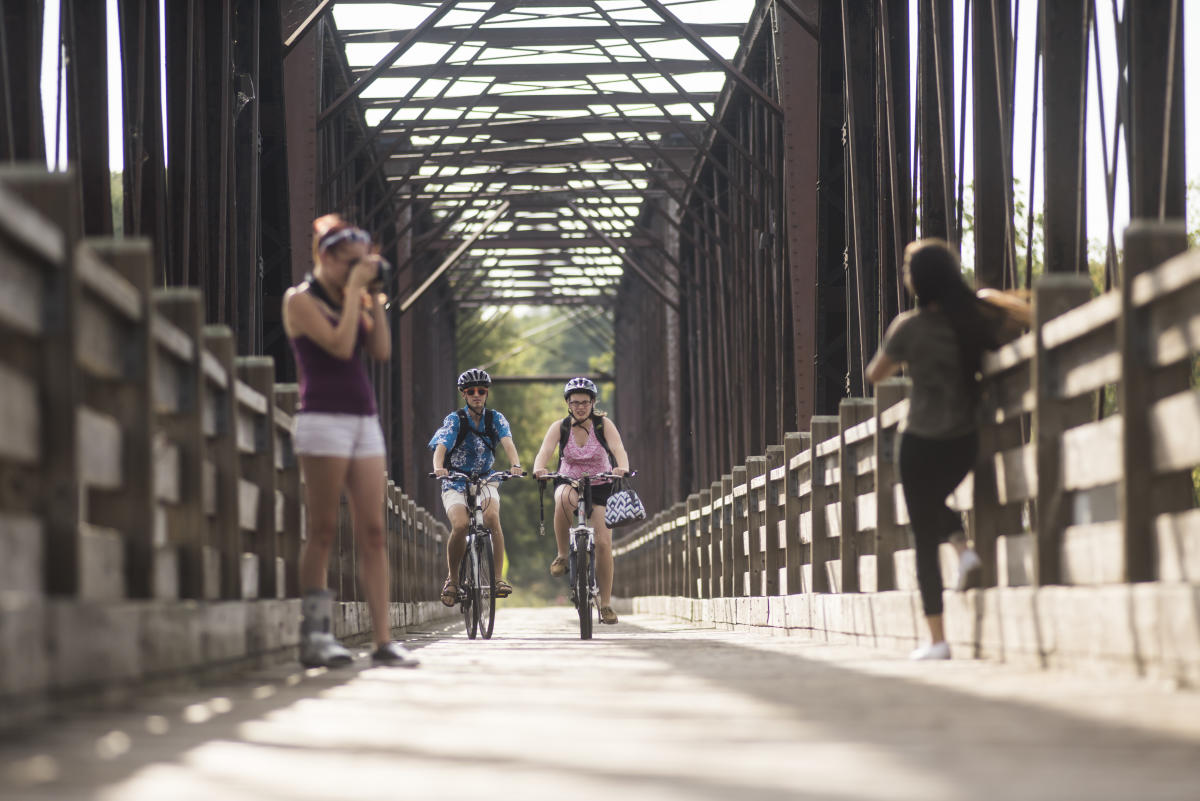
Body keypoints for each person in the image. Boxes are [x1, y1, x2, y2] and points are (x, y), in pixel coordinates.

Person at [866, 238, 1030, 661]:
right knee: (934, 501)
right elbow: (1027, 322)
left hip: (919, 439)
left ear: (917, 282)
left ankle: (938, 639)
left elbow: (876, 375)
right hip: (964, 439)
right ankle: (965, 553)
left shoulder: (909, 327)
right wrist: (989, 298)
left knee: (923, 532)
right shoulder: (974, 321)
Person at [282, 214, 418, 669]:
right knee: (322, 529)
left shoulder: (354, 300)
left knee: (374, 532)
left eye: (363, 262)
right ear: (325, 258)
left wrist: (372, 297)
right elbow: (340, 349)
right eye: (349, 263)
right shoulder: (300, 301)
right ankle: (316, 636)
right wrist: (354, 294)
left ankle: (384, 641)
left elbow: (380, 350)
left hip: (365, 421)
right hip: (322, 419)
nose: (356, 270)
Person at [532, 377, 630, 625]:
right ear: (568, 403)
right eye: (575, 402)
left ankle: (606, 605)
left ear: (593, 403)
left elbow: (618, 448)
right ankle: (563, 555)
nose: (580, 407)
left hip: (600, 484)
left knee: (604, 543)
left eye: (585, 402)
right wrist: (539, 468)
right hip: (569, 481)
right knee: (562, 498)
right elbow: (544, 453)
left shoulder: (603, 425)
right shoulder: (560, 427)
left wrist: (623, 467)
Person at [429, 368, 525, 606]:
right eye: (471, 391)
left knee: (492, 517)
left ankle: (498, 579)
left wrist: (515, 464)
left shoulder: (495, 419)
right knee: (460, 525)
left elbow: (507, 442)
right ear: (463, 394)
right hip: (455, 480)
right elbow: (441, 447)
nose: (477, 395)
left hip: (485, 478)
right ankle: (452, 579)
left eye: (481, 391)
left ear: (487, 393)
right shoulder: (455, 420)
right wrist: (439, 467)